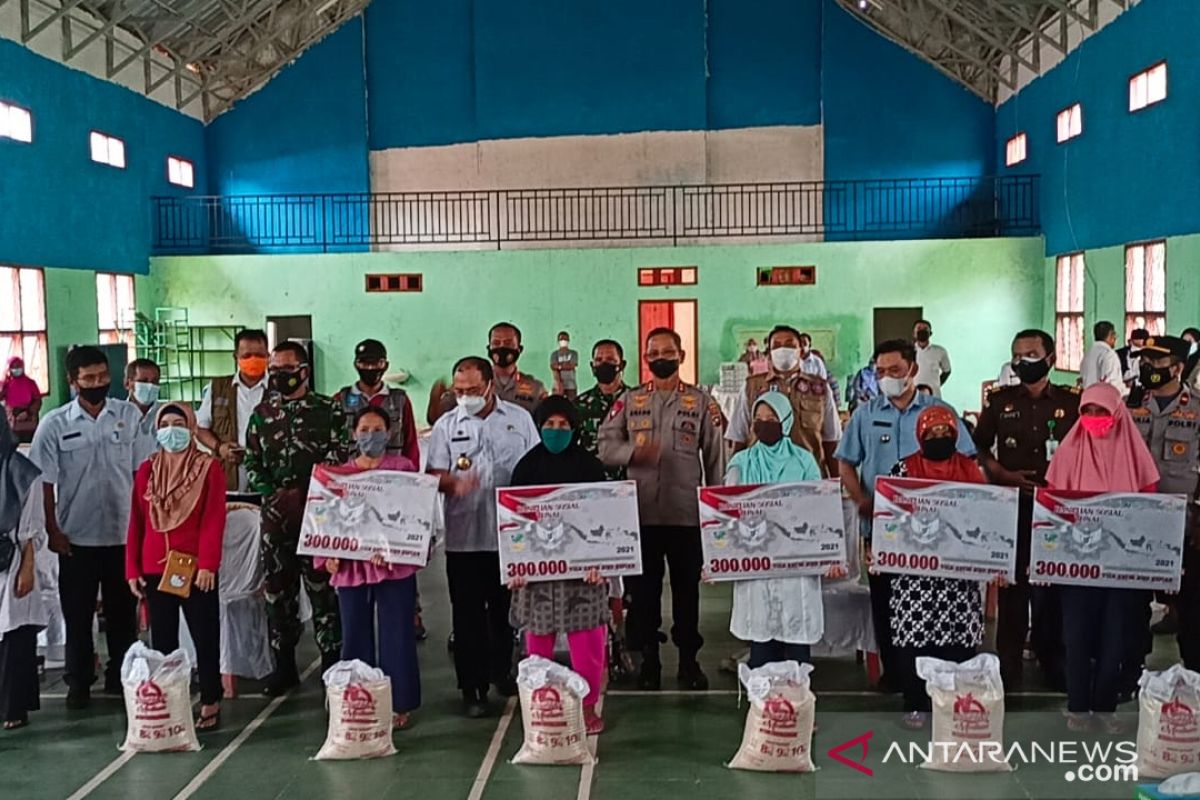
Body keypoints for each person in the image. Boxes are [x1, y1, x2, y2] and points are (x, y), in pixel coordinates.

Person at [835, 339, 976, 694]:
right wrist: (861, 499)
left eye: (894, 371)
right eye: (880, 372)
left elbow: (968, 462)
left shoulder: (938, 413)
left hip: (941, 533)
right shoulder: (866, 414)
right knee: (886, 602)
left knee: (935, 600)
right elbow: (846, 462)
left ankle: (935, 673)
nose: (886, 378)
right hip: (882, 527)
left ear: (913, 369)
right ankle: (896, 673)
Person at [599, 327, 724, 691]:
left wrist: (715, 513)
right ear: (646, 358)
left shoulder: (702, 403)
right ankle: (649, 662)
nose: (659, 358)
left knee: (688, 593)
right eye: (653, 353)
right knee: (645, 594)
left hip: (686, 514)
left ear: (681, 356)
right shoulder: (630, 400)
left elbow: (716, 459)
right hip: (641, 516)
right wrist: (633, 454)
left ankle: (689, 662)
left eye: (667, 352)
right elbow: (605, 445)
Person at [28, 346, 143, 709]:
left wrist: (143, 531)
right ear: (72, 381)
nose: (97, 384)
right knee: (78, 615)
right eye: (89, 379)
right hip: (76, 536)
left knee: (123, 614)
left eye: (102, 377)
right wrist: (53, 530)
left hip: (123, 534)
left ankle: (119, 676)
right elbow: (44, 483)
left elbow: (142, 475)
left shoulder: (128, 416)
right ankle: (79, 681)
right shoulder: (55, 424)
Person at [426, 357, 539, 717]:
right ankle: (471, 687)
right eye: (459, 391)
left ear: (490, 385)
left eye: (472, 391)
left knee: (506, 611)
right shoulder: (446, 426)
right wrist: (453, 484)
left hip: (510, 537)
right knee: (468, 615)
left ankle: (502, 671)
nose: (465, 397)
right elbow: (434, 474)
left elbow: (535, 467)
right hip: (465, 537)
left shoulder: (519, 420)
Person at [1045, 382, 1159, 733]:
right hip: (1077, 566)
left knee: (1116, 638)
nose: (1094, 419)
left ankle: (1106, 708)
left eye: (1102, 412)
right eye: (1088, 411)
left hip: (1122, 569)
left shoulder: (1134, 452)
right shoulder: (1068, 451)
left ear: (1117, 414)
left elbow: (1150, 503)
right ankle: (1078, 708)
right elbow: (1051, 503)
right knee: (1077, 637)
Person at [973, 329, 1079, 689]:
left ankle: (1054, 661)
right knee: (1012, 587)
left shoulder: (1073, 402)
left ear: (1050, 359)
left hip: (1057, 510)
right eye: (1016, 355)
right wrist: (1000, 472)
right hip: (1012, 506)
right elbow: (979, 448)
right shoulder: (1000, 401)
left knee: (1052, 586)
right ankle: (1009, 668)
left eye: (1031, 354)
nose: (1022, 362)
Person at [245, 341, 350, 695]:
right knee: (278, 592)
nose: (278, 376)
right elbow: (252, 461)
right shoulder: (262, 413)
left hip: (319, 516)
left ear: (304, 372)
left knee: (323, 591)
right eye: (274, 371)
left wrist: (307, 493)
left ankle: (332, 662)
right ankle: (284, 665)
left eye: (286, 371)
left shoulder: (328, 410)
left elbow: (341, 455)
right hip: (277, 519)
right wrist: (275, 494)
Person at [315, 407, 422, 730]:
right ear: (353, 434)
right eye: (364, 429)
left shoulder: (403, 469)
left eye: (377, 429)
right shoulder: (336, 477)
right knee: (354, 635)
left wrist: (397, 547)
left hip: (394, 568)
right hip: (351, 568)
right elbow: (324, 524)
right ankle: (357, 698)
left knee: (397, 635)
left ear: (388, 434)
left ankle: (399, 703)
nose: (370, 435)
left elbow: (415, 516)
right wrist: (328, 556)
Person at [508, 395, 610, 734]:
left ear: (574, 427)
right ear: (539, 427)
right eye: (549, 425)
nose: (556, 430)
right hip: (537, 576)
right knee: (538, 643)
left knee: (587, 644)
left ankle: (586, 705)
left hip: (583, 574)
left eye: (563, 425)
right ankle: (543, 702)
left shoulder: (590, 467)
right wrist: (516, 566)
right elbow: (512, 525)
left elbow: (605, 521)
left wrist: (602, 563)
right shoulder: (526, 467)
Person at [886, 406, 993, 728]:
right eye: (931, 434)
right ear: (919, 436)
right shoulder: (903, 470)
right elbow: (889, 518)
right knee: (917, 638)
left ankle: (952, 701)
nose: (938, 438)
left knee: (956, 640)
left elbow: (988, 519)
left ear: (956, 434)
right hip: (915, 577)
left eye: (945, 433)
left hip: (959, 578)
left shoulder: (971, 471)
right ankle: (916, 702)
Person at [724, 393, 844, 668]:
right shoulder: (741, 462)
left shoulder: (804, 461)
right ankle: (765, 708)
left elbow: (820, 511)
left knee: (797, 649)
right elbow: (727, 511)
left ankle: (798, 705)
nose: (764, 424)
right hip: (756, 568)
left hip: (796, 571)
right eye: (759, 419)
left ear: (786, 421)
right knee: (762, 648)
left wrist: (831, 557)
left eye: (772, 418)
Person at [125, 404, 226, 731]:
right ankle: (171, 702)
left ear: (191, 426)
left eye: (179, 423)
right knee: (163, 641)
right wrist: (132, 569)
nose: (172, 430)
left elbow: (213, 519)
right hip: (155, 567)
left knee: (205, 635)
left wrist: (209, 563)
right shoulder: (147, 470)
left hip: (196, 569)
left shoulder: (208, 468)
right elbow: (136, 522)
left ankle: (211, 699)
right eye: (165, 424)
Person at [1128, 337, 1200, 671]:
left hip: (1184, 522)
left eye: (1157, 364)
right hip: (1134, 522)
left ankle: (1193, 671)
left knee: (1190, 604)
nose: (1149, 369)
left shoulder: (1197, 409)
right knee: (1131, 604)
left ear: (1178, 367)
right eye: (1146, 363)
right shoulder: (1130, 406)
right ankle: (1130, 670)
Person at [726, 325, 841, 477]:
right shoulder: (752, 386)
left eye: (789, 345)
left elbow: (831, 440)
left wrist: (835, 482)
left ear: (801, 350)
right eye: (777, 346)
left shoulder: (819, 388)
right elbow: (739, 437)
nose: (783, 350)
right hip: (761, 479)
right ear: (770, 352)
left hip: (808, 478)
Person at [0, 413, 43, 729]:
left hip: (12, 560)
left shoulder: (21, 471)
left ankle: (13, 707)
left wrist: (27, 567)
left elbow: (30, 527)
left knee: (14, 635)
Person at [197, 329, 271, 492]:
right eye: (246, 356)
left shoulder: (278, 389)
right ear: (235, 357)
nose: (253, 360)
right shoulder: (218, 388)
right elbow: (200, 428)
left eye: (259, 355)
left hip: (269, 475)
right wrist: (219, 447)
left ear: (268, 356)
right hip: (229, 474)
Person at [331, 339, 420, 466]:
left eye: (377, 363)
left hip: (393, 474)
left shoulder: (400, 401)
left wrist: (412, 475)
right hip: (352, 477)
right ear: (356, 365)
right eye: (364, 363)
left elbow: (410, 443)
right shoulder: (340, 399)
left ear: (386, 365)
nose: (371, 368)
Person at [575, 339, 629, 481]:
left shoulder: (636, 401)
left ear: (621, 365)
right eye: (599, 360)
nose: (604, 364)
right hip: (591, 484)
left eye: (610, 359)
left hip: (629, 485)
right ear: (592, 366)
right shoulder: (579, 405)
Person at [488, 322, 548, 414]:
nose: (502, 347)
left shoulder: (536, 389)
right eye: (496, 343)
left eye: (508, 343)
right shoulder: (475, 385)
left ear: (519, 349)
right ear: (489, 348)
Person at [124, 358, 163, 466]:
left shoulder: (166, 414)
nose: (150, 386)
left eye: (155, 382)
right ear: (128, 383)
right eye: (143, 381)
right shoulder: (118, 415)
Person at [1, 357, 42, 443]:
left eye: (18, 366)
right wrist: (4, 384)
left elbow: (38, 400)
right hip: (13, 422)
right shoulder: (7, 384)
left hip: (29, 421)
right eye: (13, 367)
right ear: (10, 369)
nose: (16, 369)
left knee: (29, 446)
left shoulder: (30, 383)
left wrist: (28, 412)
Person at [1080, 321, 1126, 396]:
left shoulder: (1087, 355)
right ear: (1111, 335)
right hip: (1104, 402)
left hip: (1088, 399)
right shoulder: (1109, 354)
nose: (1115, 338)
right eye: (1114, 335)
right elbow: (1113, 387)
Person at [913, 320, 952, 397]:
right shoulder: (908, 351)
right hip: (913, 396)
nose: (922, 330)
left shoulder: (940, 351)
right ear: (914, 333)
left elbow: (947, 371)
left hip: (934, 395)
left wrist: (936, 385)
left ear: (930, 333)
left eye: (925, 329)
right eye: (919, 328)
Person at [549, 331, 580, 400]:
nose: (563, 341)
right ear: (558, 341)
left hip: (571, 385)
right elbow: (553, 366)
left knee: (572, 403)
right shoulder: (554, 354)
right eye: (561, 339)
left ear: (568, 340)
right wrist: (565, 365)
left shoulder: (573, 353)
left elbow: (572, 366)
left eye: (565, 339)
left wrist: (559, 366)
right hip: (558, 385)